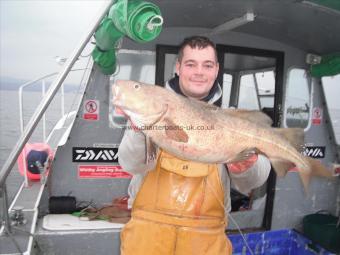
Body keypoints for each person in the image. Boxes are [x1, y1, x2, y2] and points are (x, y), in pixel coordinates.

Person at [117, 36, 271, 255]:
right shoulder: (152, 107)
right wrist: (137, 129)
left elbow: (255, 180)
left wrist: (248, 165)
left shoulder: (232, 118)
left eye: (207, 65)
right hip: (147, 238)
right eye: (191, 64)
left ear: (216, 70)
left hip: (205, 242)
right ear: (178, 67)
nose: (199, 72)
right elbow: (131, 164)